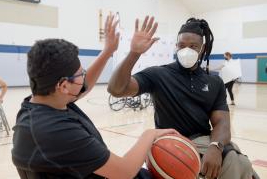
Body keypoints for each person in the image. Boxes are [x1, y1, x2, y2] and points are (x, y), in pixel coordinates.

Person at [11, 15, 179, 179]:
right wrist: (149, 134)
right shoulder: (56, 132)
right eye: (80, 74)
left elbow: (82, 87)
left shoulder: (43, 101)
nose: (83, 77)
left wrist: (108, 51)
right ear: (63, 86)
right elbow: (125, 172)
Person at [108, 17, 256, 179]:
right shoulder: (158, 74)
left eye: (193, 46)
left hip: (204, 143)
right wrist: (134, 54)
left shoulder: (214, 82)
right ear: (176, 46)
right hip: (170, 146)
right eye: (182, 45)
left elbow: (222, 123)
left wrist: (215, 147)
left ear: (203, 48)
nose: (187, 50)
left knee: (241, 164)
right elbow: (116, 89)